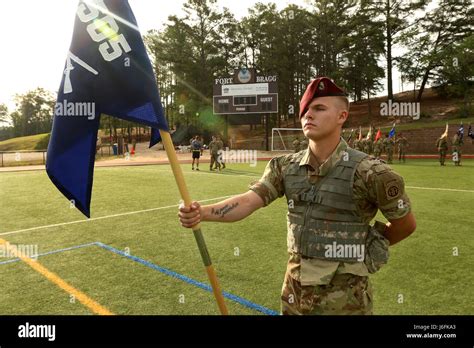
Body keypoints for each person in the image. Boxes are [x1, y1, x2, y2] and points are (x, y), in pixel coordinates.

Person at [178, 76, 416, 315]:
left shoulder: (371, 173)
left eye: (319, 108)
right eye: (305, 111)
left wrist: (361, 247)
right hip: (294, 296)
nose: (308, 115)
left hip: (346, 304)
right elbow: (249, 200)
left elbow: (405, 224)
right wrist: (202, 213)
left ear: (342, 116)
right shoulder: (285, 167)